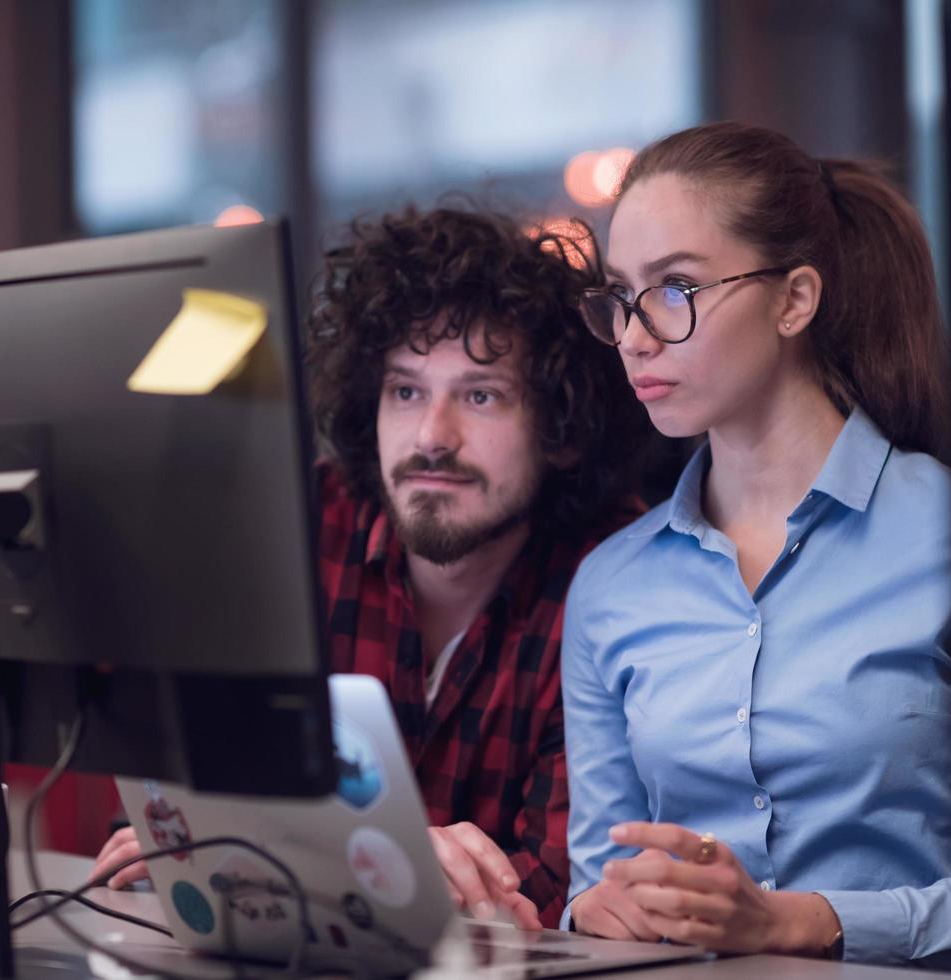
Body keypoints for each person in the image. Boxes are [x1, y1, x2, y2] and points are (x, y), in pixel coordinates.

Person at [560, 121, 951, 973]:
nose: (637, 336)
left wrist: (800, 922)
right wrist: (596, 913)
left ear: (795, 299)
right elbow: (595, 882)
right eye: (621, 296)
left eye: (676, 287)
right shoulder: (612, 586)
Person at [95, 205, 649, 929]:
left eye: (480, 396)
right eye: (406, 390)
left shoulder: (617, 578)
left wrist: (269, 857)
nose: (431, 437)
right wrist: (383, 866)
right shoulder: (295, 528)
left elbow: (552, 895)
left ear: (564, 431)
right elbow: (167, 816)